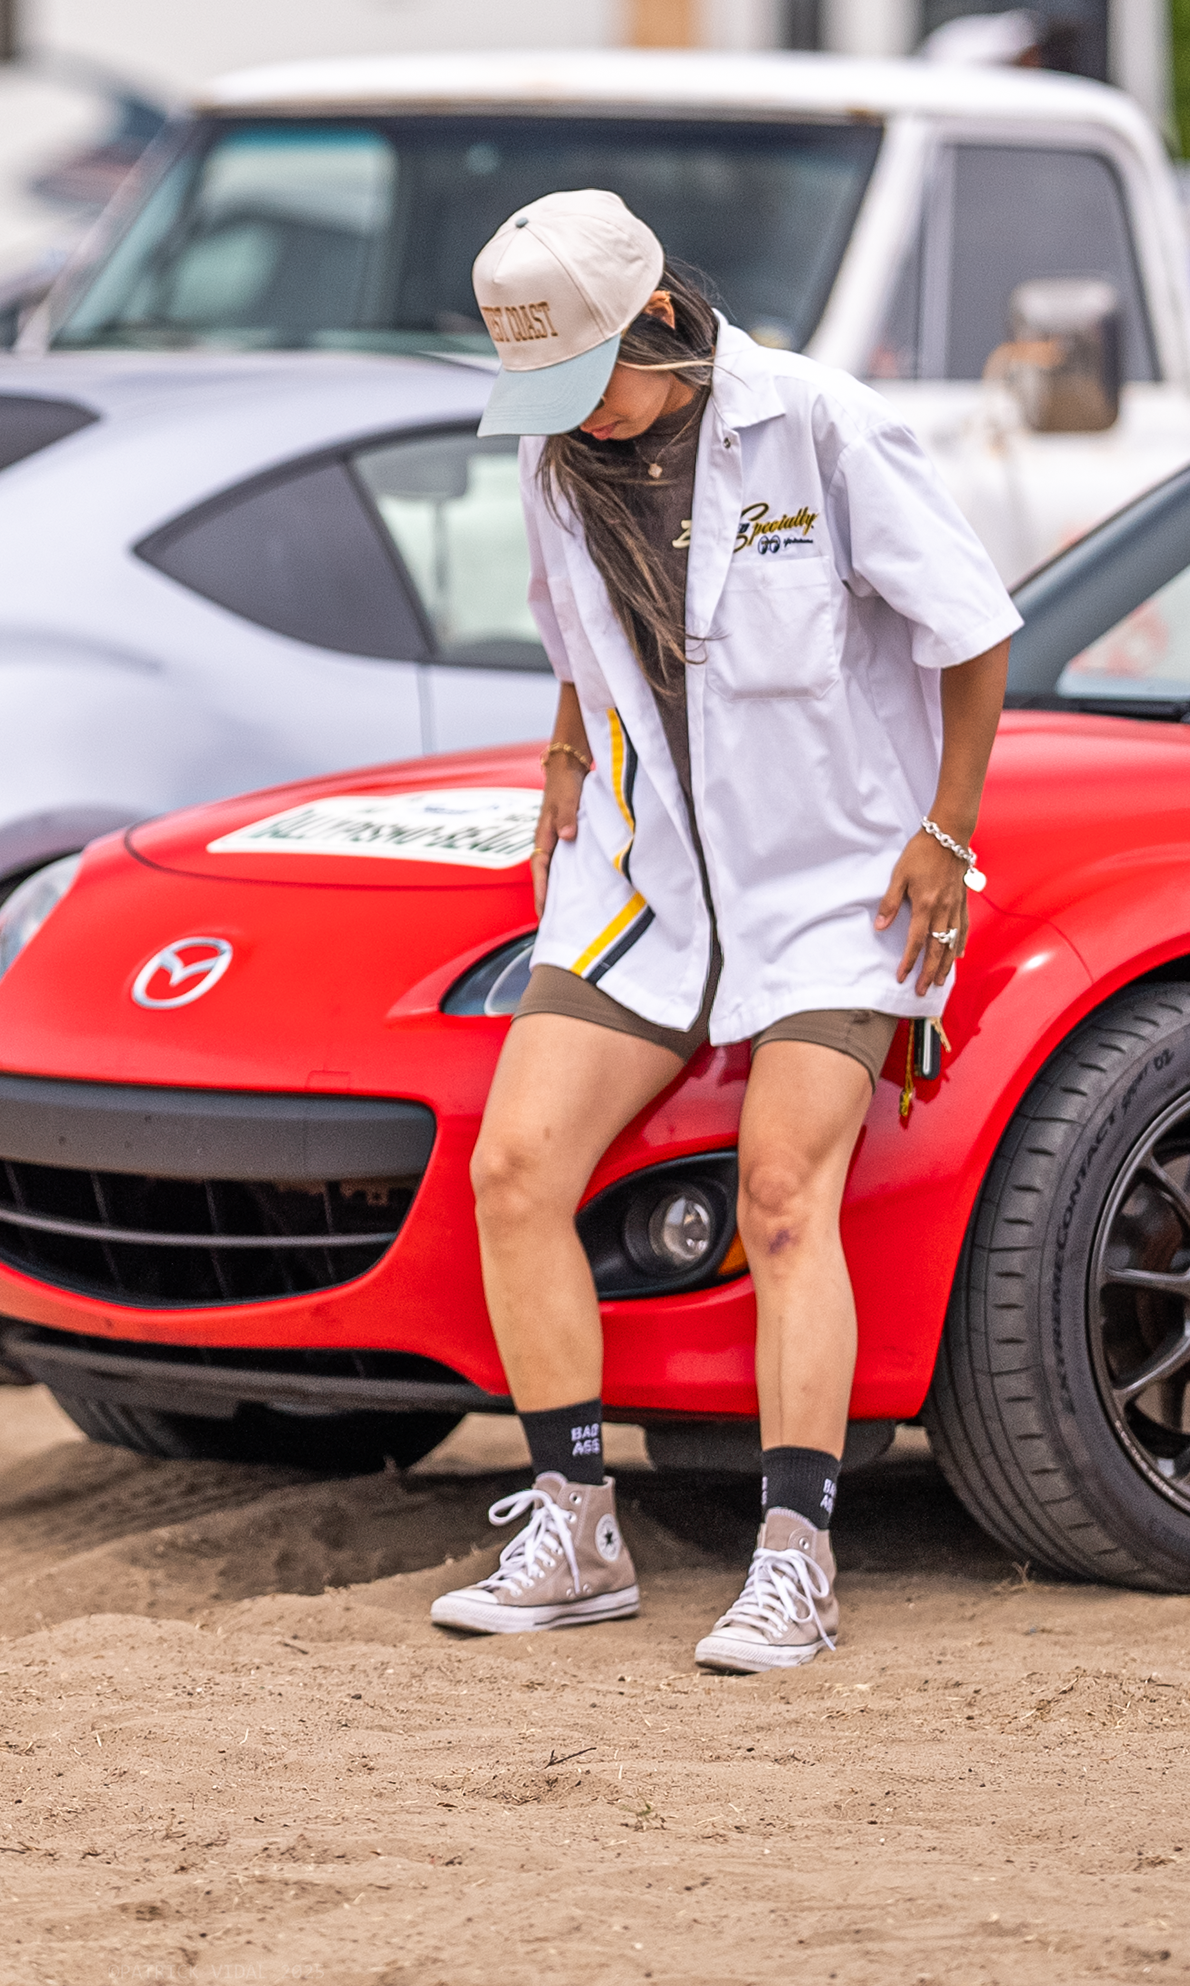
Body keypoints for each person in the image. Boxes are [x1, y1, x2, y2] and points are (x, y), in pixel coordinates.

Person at [428, 189, 1018, 1676]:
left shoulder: (820, 426)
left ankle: (795, 1557)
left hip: (837, 876)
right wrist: (567, 753)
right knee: (512, 1169)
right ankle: (575, 1524)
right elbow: (580, 636)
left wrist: (945, 833)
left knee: (778, 1198)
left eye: (596, 382)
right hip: (646, 877)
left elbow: (973, 626)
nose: (584, 422)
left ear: (667, 320)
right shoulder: (560, 465)